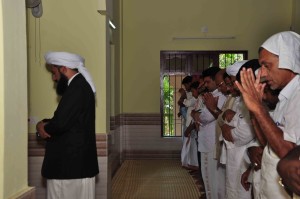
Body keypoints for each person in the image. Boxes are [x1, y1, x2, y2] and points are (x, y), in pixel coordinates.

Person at [236, 31, 300, 198]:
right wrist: (254, 111)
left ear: (288, 61)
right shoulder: (285, 96)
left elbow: (288, 151)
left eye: (267, 65)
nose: (262, 74)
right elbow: (267, 143)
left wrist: (258, 108)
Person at [36, 51, 99, 199]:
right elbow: (68, 120)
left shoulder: (77, 88)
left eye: (54, 72)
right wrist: (45, 123)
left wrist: (41, 127)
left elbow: (60, 124)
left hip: (68, 167)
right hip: (75, 167)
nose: (54, 78)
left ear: (64, 69)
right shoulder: (80, 86)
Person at [197, 66, 227, 199]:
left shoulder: (219, 97)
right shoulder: (211, 96)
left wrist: (196, 115)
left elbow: (204, 117)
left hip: (211, 144)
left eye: (208, 82)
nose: (206, 85)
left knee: (211, 180)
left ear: (216, 81)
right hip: (209, 142)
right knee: (215, 180)